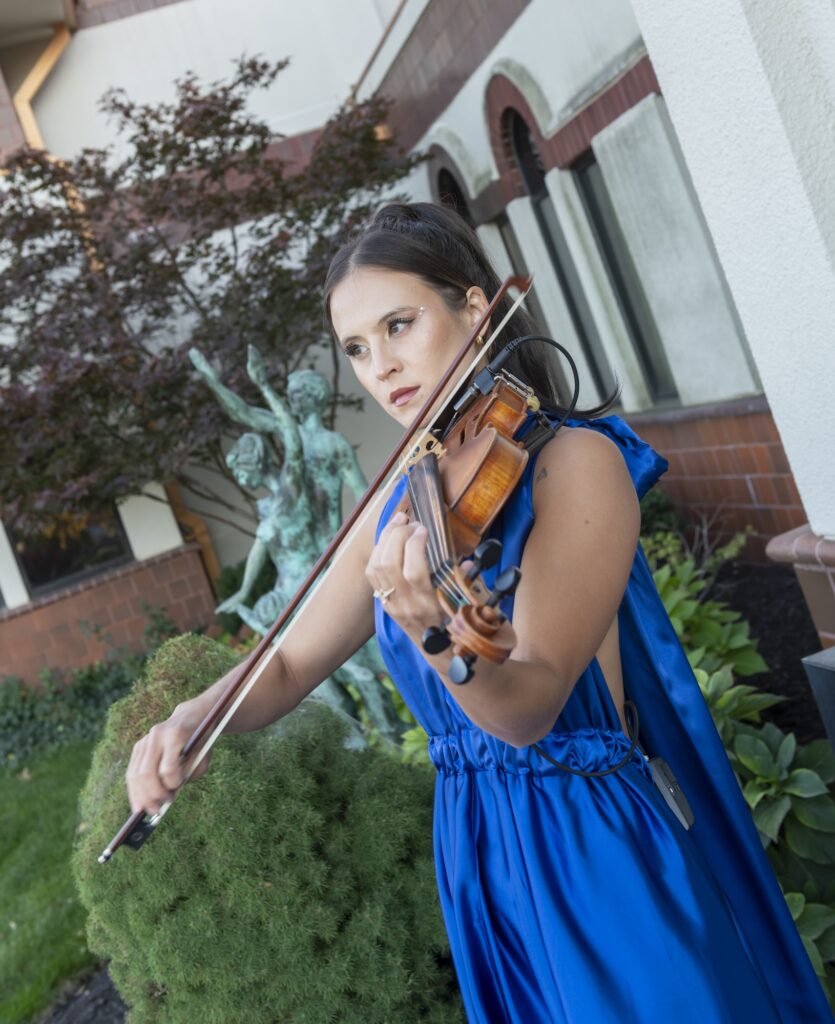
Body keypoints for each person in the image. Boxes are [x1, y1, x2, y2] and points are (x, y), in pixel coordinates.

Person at [126, 202, 829, 1023]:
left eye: (398, 325)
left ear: (473, 307)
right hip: (477, 840)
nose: (381, 366)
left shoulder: (573, 462)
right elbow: (284, 664)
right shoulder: (404, 495)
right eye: (356, 348)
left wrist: (433, 632)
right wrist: (196, 715)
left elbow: (529, 709)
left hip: (588, 837)